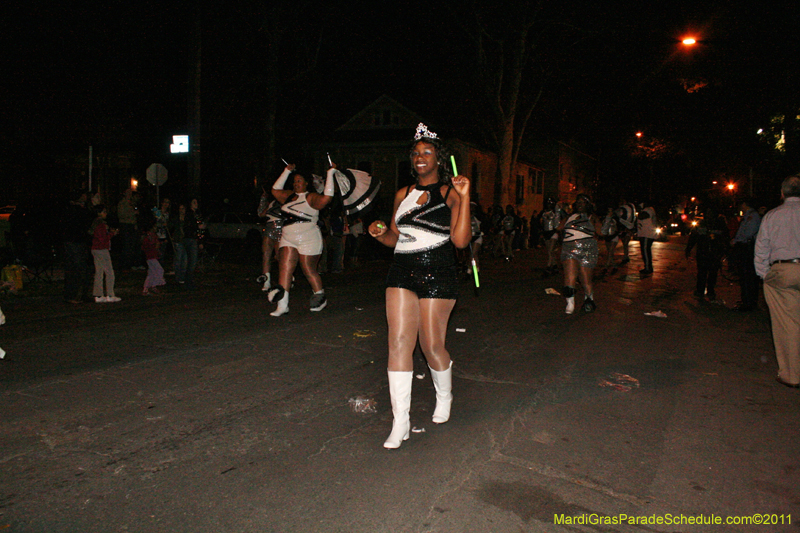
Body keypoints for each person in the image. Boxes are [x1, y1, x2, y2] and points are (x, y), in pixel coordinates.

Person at [368, 123, 471, 449]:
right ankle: (401, 422)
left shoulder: (451, 193)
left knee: (431, 346)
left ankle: (445, 394)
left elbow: (460, 240)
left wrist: (466, 199)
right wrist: (380, 232)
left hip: (438, 272)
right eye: (415, 153)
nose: (420, 157)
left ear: (438, 158)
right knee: (398, 342)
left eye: (427, 152)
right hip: (402, 270)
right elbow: (394, 239)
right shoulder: (403, 194)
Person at [267, 162, 335, 316]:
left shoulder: (311, 197)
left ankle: (320, 296)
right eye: (294, 181)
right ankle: (282, 305)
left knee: (308, 269)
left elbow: (327, 198)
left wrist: (330, 174)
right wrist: (286, 171)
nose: (295, 183)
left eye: (299, 181)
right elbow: (275, 190)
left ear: (306, 183)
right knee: (284, 269)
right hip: (288, 238)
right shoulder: (289, 196)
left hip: (308, 238)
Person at [754, 175, 800, 388]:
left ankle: (791, 375)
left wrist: (764, 275)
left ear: (782, 194)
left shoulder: (773, 216)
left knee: (787, 325)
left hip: (783, 270)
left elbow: (761, 248)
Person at [558, 194, 600, 314]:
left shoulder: (592, 217)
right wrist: (558, 213)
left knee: (585, 279)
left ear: (588, 205)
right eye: (578, 202)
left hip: (587, 250)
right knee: (570, 276)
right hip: (569, 249)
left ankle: (589, 298)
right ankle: (570, 303)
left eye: (583, 202)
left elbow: (601, 232)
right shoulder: (569, 217)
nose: (580, 204)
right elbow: (558, 228)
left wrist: (608, 219)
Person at [685, 205, 728, 301]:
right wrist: (688, 248)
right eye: (707, 213)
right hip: (703, 252)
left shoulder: (720, 224)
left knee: (713, 273)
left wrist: (724, 250)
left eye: (711, 213)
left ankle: (710, 291)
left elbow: (725, 238)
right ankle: (700, 291)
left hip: (715, 252)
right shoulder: (701, 223)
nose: (709, 215)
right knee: (701, 273)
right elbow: (694, 237)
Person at [62, 189, 94, 304]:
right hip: (76, 241)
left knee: (75, 268)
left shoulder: (71, 209)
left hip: (74, 241)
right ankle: (75, 294)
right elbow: (87, 222)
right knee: (78, 268)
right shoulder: (76, 210)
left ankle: (74, 294)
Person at [730, 198, 761, 311]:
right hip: (744, 247)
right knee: (744, 276)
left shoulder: (753, 216)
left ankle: (749, 302)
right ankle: (746, 300)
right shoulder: (748, 215)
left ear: (744, 204)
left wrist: (736, 240)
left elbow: (748, 233)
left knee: (748, 276)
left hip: (747, 248)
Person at [89, 204, 121, 303]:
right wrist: (112, 234)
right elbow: (103, 238)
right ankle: (110, 294)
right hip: (101, 249)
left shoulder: (95, 223)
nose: (105, 214)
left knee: (99, 272)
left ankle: (98, 295)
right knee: (109, 272)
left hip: (95, 248)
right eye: (104, 212)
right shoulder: (101, 224)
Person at [256, 189, 283, 291]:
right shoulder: (272, 203)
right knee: (266, 255)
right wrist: (263, 199)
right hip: (269, 227)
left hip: (280, 228)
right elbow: (261, 214)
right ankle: (266, 282)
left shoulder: (286, 201)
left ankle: (285, 280)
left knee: (279, 256)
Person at [541, 198, 564, 275]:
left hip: (553, 232)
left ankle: (548, 267)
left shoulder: (555, 212)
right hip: (546, 232)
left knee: (551, 250)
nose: (549, 205)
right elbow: (541, 222)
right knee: (550, 252)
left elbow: (558, 222)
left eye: (550, 203)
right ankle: (555, 266)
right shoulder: (543, 212)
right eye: (548, 203)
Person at [142, 221, 166, 296]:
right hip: (151, 257)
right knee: (159, 270)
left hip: (150, 256)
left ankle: (146, 289)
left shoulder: (150, 236)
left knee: (151, 273)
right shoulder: (150, 237)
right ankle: (153, 285)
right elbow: (152, 246)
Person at [116, 189, 138, 270]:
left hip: (131, 225)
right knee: (126, 245)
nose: (130, 195)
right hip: (125, 225)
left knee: (131, 245)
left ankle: (130, 263)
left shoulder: (132, 203)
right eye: (128, 193)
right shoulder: (122, 203)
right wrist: (132, 213)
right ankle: (124, 264)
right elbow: (121, 215)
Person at [636, 202, 658, 275]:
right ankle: (647, 267)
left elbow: (642, 216)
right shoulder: (648, 210)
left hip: (647, 234)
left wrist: (639, 212)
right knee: (645, 251)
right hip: (645, 234)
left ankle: (648, 268)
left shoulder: (648, 210)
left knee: (645, 251)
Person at [615, 198, 637, 264]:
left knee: (625, 243)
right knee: (625, 243)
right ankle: (626, 256)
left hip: (626, 228)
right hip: (628, 227)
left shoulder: (625, 209)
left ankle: (626, 256)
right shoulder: (629, 208)